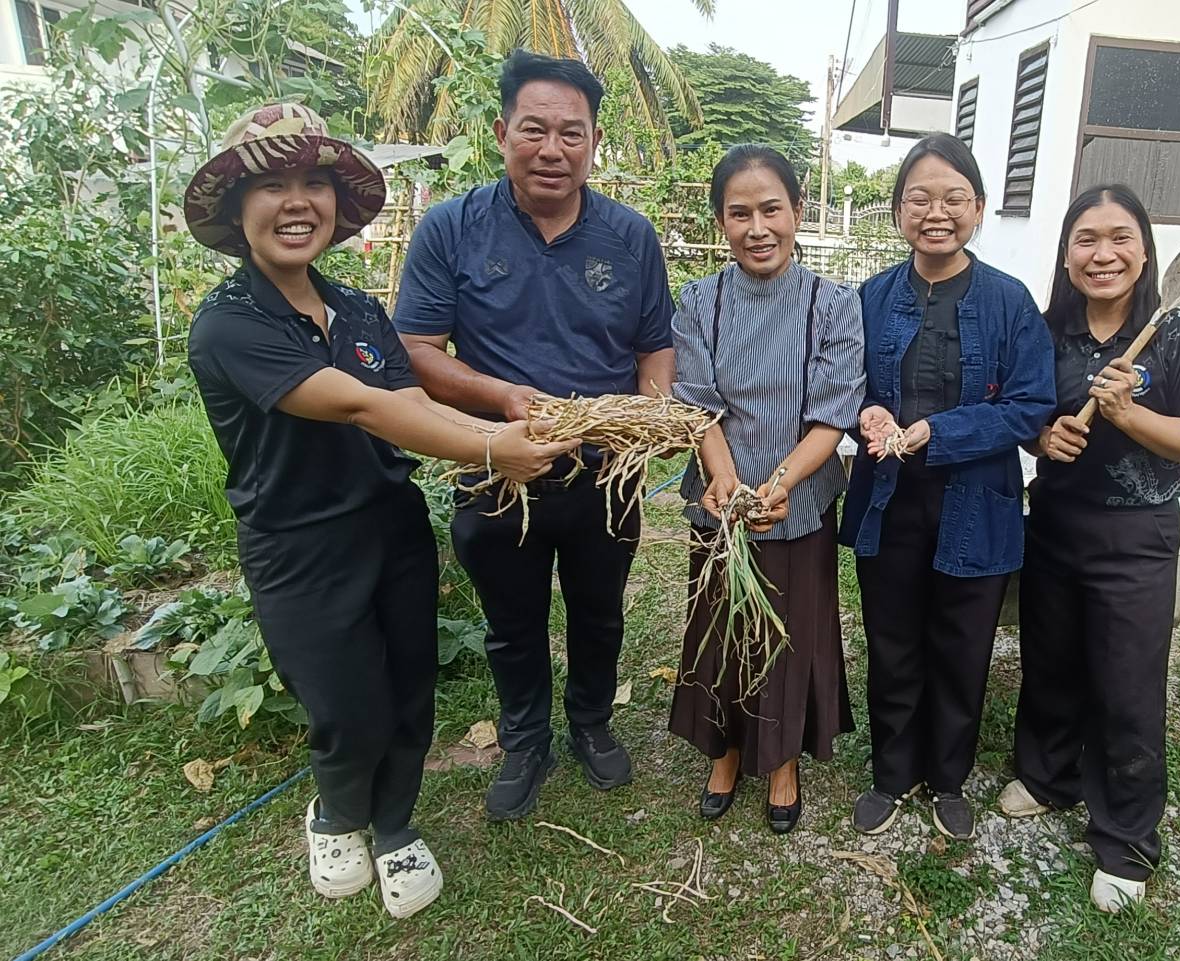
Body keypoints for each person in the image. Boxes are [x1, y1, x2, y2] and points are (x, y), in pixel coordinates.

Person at [184, 104, 570, 918]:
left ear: (335, 200)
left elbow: (409, 402)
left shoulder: (358, 313)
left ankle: (394, 826)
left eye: (314, 183)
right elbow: (360, 407)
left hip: (390, 529)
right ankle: (335, 809)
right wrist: (497, 450)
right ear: (234, 206)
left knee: (410, 689)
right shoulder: (229, 323)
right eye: (272, 184)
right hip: (299, 547)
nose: (297, 202)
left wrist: (502, 429)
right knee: (347, 702)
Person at [392, 50, 676, 821]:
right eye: (535, 130)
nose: (553, 149)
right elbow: (415, 350)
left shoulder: (630, 236)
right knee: (511, 620)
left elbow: (655, 346)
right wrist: (502, 399)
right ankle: (525, 740)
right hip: (494, 467)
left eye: (572, 134)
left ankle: (590, 721)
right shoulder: (452, 227)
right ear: (501, 132)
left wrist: (642, 420)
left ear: (593, 142)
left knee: (601, 611)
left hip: (602, 472)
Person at [998, 185, 1180, 913]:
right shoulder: (1046, 333)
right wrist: (1043, 435)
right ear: (1067, 256)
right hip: (1058, 520)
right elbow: (1027, 413)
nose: (1103, 254)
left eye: (1120, 237)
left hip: (1138, 532)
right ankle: (1046, 776)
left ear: (1146, 251)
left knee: (1128, 682)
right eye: (1086, 239)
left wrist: (1129, 415)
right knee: (1051, 659)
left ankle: (1126, 836)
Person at [840, 133, 1055, 841]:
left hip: (975, 502)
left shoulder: (1008, 301)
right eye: (920, 198)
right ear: (899, 210)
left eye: (954, 197)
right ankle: (892, 773)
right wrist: (866, 411)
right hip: (889, 498)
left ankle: (949, 776)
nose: (937, 211)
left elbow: (1029, 408)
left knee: (962, 645)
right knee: (892, 638)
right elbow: (843, 388)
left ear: (980, 208)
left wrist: (942, 431)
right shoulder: (869, 297)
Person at [666, 146, 864, 834]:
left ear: (798, 212)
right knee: (721, 625)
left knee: (793, 629)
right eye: (740, 212)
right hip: (720, 496)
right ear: (721, 220)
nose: (758, 227)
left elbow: (833, 413)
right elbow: (698, 403)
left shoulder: (833, 304)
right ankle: (723, 750)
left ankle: (782, 760)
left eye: (771, 209)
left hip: (800, 497)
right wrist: (726, 480)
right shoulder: (699, 301)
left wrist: (776, 485)